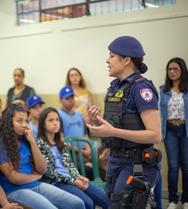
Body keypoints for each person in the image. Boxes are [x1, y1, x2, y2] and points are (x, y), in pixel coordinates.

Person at [87, 36, 162, 208]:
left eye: (112, 55)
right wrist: (97, 123)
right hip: (115, 161)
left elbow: (155, 135)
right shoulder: (115, 88)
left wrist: (113, 131)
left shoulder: (141, 88)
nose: (107, 60)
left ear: (127, 60)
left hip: (135, 165)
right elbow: (117, 127)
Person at [0, 104, 85, 209]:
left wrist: (32, 141)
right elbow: (14, 177)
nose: (24, 125)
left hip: (36, 185)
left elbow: (42, 169)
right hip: (15, 190)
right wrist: (36, 176)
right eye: (19, 121)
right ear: (8, 123)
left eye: (26, 121)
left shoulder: (26, 140)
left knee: (78, 203)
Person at [36, 107, 109, 209]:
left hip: (70, 179)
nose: (55, 123)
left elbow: (69, 165)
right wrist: (74, 181)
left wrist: (78, 177)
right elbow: (49, 172)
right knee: (88, 203)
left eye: (57, 120)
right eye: (51, 120)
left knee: (105, 198)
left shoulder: (61, 143)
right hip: (56, 183)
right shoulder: (40, 144)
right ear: (43, 124)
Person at [159, 57, 188, 209]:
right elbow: (159, 114)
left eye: (175, 68)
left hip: (185, 130)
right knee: (173, 166)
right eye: (169, 69)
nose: (172, 72)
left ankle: (186, 200)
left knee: (187, 166)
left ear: (182, 70)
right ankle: (172, 200)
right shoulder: (163, 90)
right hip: (170, 129)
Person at [58, 85, 93, 179]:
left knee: (104, 163)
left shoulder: (79, 115)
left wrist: (89, 150)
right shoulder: (58, 115)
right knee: (89, 168)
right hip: (71, 152)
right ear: (60, 100)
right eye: (67, 98)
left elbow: (85, 134)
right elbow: (61, 140)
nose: (70, 100)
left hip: (84, 151)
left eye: (72, 97)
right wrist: (83, 152)